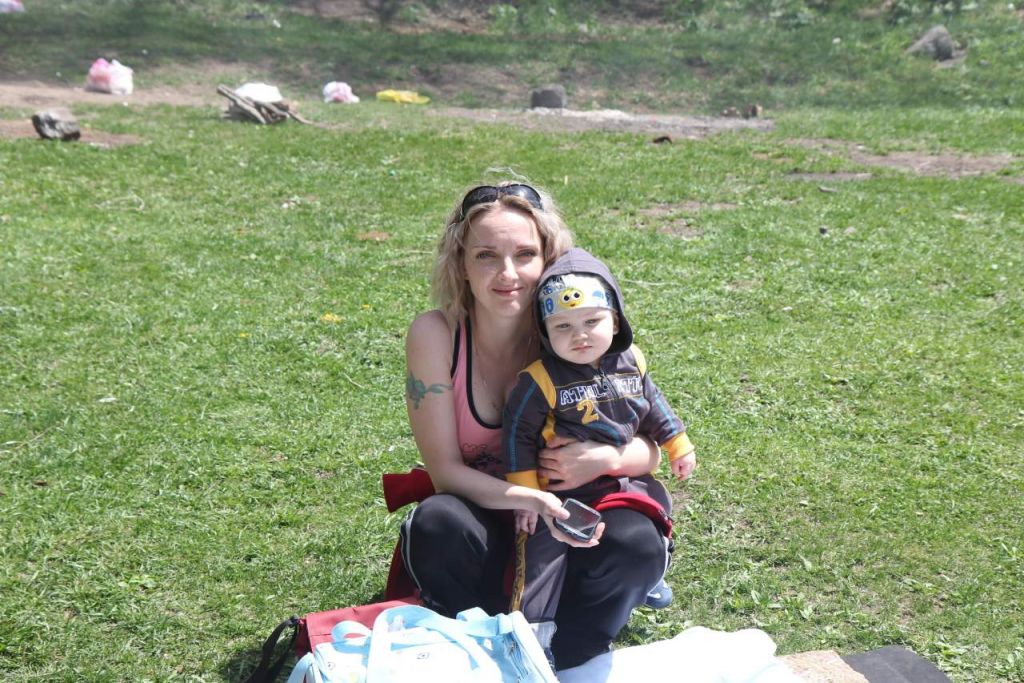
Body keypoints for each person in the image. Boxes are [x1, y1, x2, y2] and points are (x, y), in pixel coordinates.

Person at [400, 180, 670, 669]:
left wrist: (605, 458)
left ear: (550, 260)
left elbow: (652, 447)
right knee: (439, 523)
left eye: (525, 255)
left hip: (575, 514)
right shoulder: (436, 335)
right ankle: (484, 639)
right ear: (460, 263)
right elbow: (444, 473)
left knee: (634, 543)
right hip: (489, 516)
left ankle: (572, 653)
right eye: (486, 256)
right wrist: (529, 498)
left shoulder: (578, 332)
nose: (508, 274)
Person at [501, 247, 697, 623]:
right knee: (543, 552)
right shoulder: (540, 379)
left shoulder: (632, 361)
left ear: (616, 321)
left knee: (653, 516)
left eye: (592, 321)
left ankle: (646, 577)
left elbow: (654, 405)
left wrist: (677, 443)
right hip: (562, 491)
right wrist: (526, 497)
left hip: (625, 480)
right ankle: (531, 623)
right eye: (562, 326)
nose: (580, 336)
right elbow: (517, 436)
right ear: (545, 333)